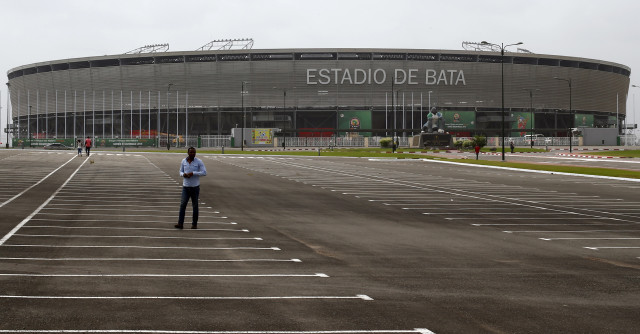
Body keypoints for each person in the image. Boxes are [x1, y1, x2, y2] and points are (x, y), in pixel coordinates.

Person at [175, 147, 207, 230]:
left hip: (195, 187)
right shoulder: (183, 161)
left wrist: (194, 173)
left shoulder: (199, 161)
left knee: (195, 206)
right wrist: (183, 174)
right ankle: (180, 223)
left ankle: (194, 224)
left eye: (194, 152)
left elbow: (204, 172)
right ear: (188, 153)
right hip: (185, 187)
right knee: (183, 205)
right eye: (191, 152)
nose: (193, 154)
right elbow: (180, 171)